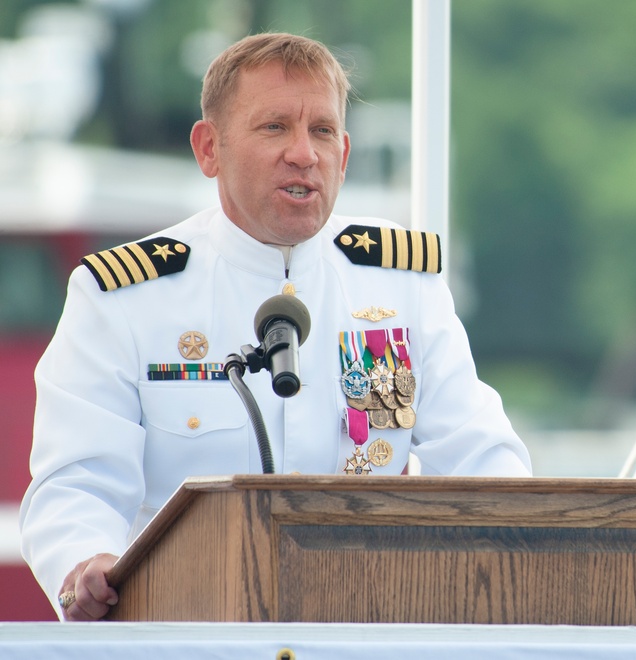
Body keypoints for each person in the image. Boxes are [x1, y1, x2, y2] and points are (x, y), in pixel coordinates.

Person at [19, 32, 531, 622]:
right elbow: (75, 486)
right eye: (274, 128)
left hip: (368, 625)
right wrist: (86, 563)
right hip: (191, 628)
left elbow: (483, 463)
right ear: (210, 149)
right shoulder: (125, 298)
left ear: (342, 155)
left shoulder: (400, 287)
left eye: (321, 131)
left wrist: (525, 539)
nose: (303, 154)